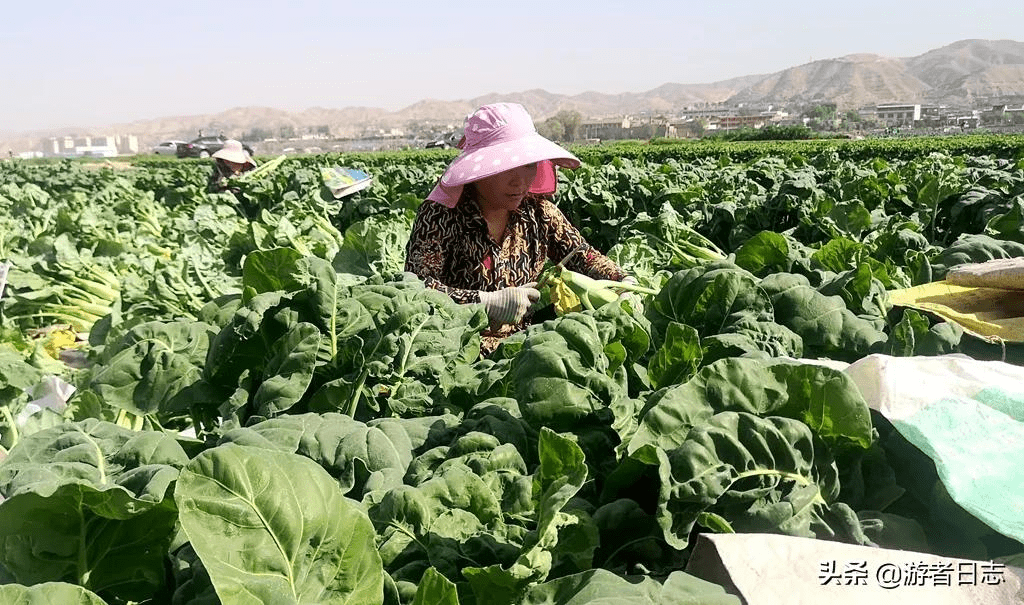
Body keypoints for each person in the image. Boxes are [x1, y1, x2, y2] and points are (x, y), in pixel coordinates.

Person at [404, 102, 634, 356]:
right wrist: (483, 303)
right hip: (455, 351)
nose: (521, 181)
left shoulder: (539, 213)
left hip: (526, 349)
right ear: (478, 171)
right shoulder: (440, 216)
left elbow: (582, 256)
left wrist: (623, 282)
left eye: (527, 165)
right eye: (505, 168)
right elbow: (416, 289)